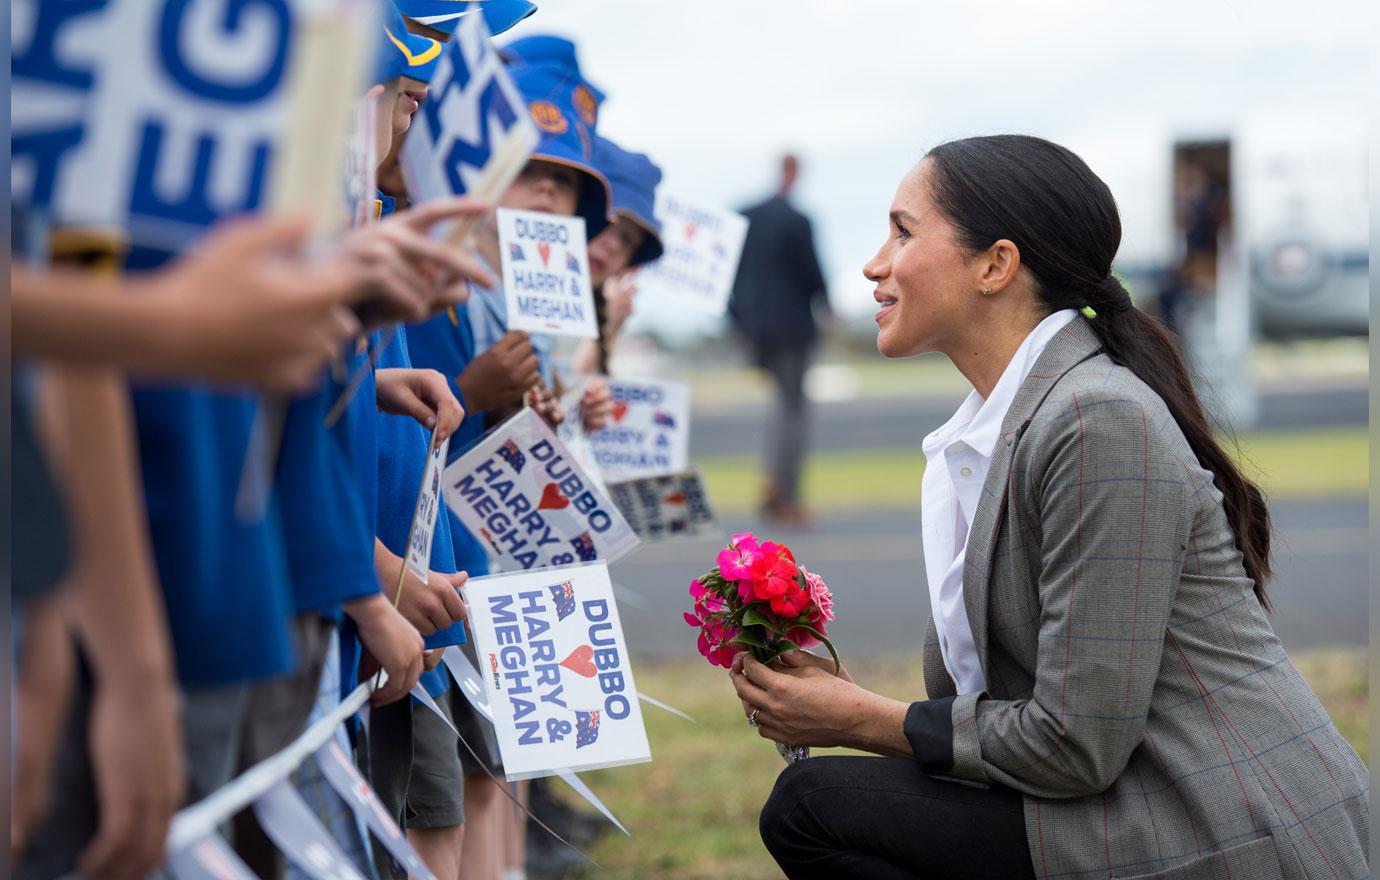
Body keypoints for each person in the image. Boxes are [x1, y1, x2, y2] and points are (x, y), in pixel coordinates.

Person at [730, 135, 1368, 880]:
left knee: (812, 807)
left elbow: (1074, 743)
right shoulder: (1015, 422)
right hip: (1124, 793)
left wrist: (861, 718)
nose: (876, 264)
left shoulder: (1097, 421)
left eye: (903, 232)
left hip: (1222, 825)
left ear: (996, 265)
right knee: (813, 803)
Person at [728, 153, 829, 528]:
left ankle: (775, 483)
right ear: (795, 173)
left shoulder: (746, 215)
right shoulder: (797, 220)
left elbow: (731, 273)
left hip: (754, 329)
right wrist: (828, 307)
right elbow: (813, 274)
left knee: (781, 407)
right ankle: (783, 492)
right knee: (793, 410)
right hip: (792, 327)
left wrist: (737, 321)